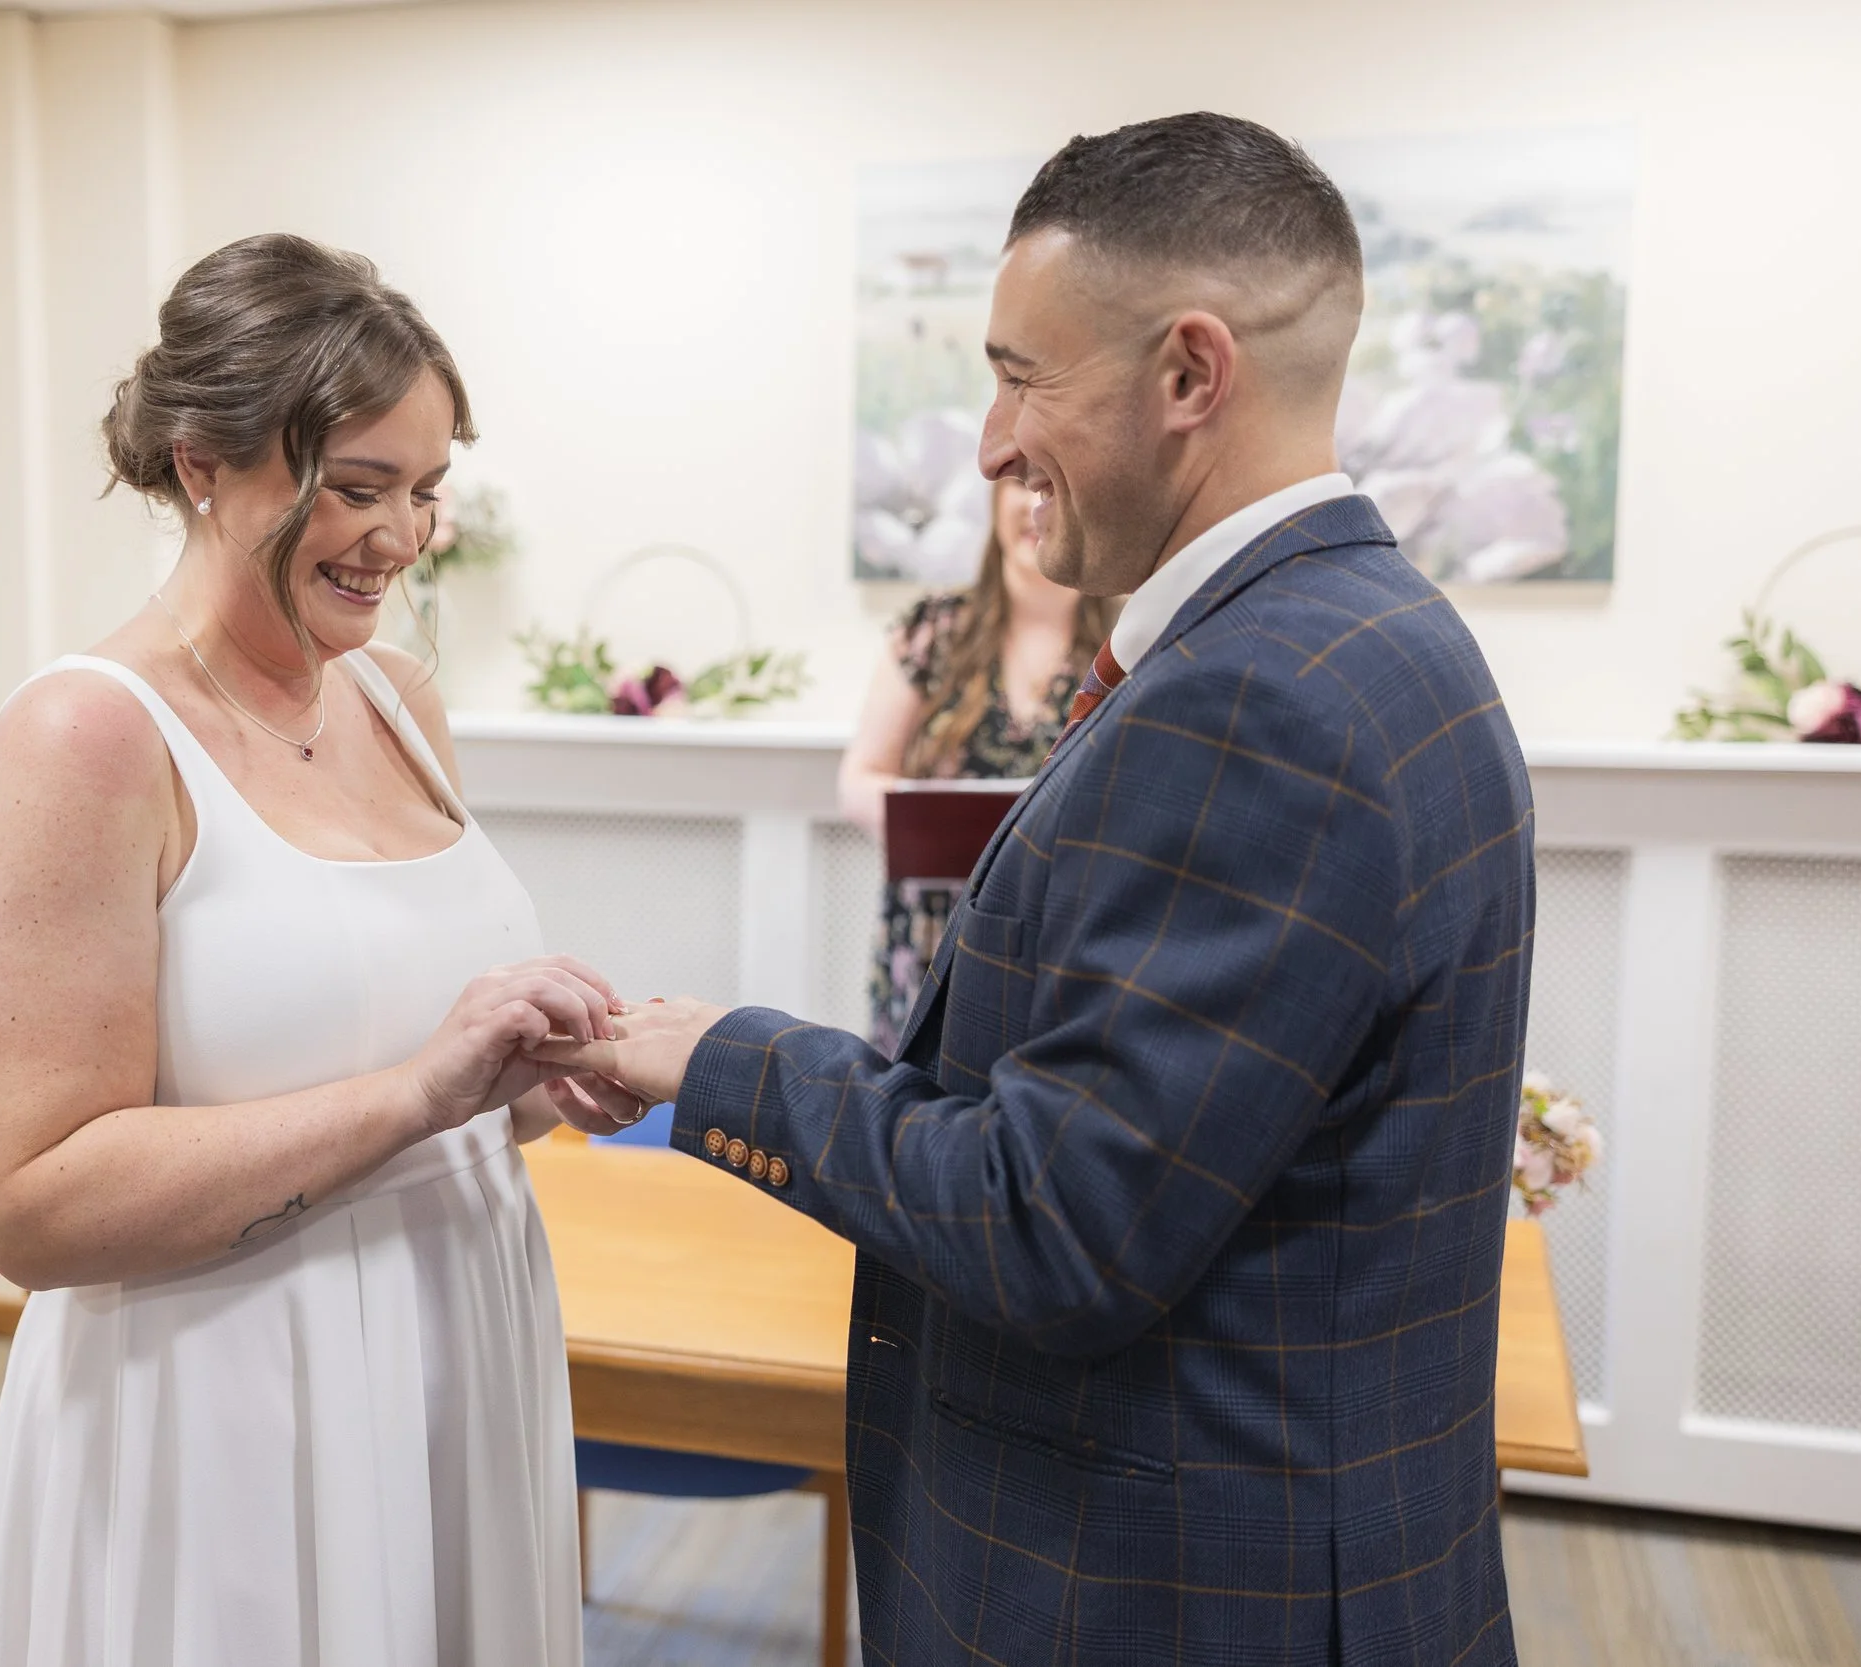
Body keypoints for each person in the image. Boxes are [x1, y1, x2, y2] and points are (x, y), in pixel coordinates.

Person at [542, 114, 1534, 1665]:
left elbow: (1053, 1222)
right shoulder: (1381, 634)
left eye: (1020, 376)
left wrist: (725, 1055)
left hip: (1169, 1593)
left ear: (1190, 376)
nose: (993, 445)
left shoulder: (1256, 702)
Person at [0, 234, 639, 1667]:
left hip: (461, 1337)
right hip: (231, 1398)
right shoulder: (85, 737)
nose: (399, 536)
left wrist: (529, 1070)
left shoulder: (394, 697)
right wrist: (420, 1093)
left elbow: (419, 1061)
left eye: (429, 490)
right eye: (357, 486)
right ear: (205, 463)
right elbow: (33, 1200)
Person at [837, 474, 1117, 1052]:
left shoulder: (1125, 643)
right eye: (1018, 483)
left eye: (1051, 485)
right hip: (932, 939)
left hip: (1061, 939)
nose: (1029, 504)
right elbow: (859, 778)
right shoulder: (933, 631)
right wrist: (927, 818)